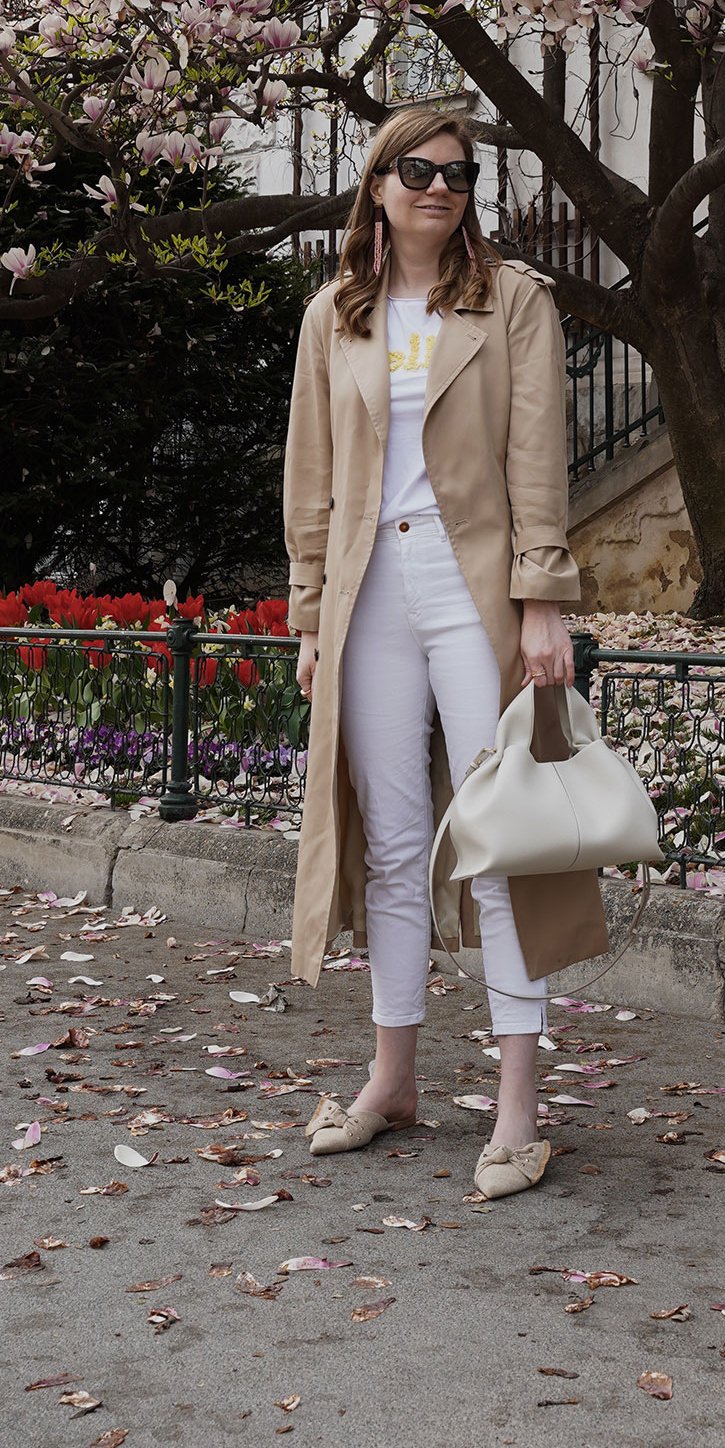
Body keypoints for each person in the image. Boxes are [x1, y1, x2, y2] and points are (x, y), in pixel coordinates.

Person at [283, 103, 607, 1201]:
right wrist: (310, 617)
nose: (439, 187)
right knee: (390, 837)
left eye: (458, 174)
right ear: (376, 185)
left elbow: (536, 461)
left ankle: (518, 1106)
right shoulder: (336, 316)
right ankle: (394, 1078)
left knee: (500, 835)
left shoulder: (512, 301)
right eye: (417, 169)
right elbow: (311, 475)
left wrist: (542, 599)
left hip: (472, 587)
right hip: (368, 590)